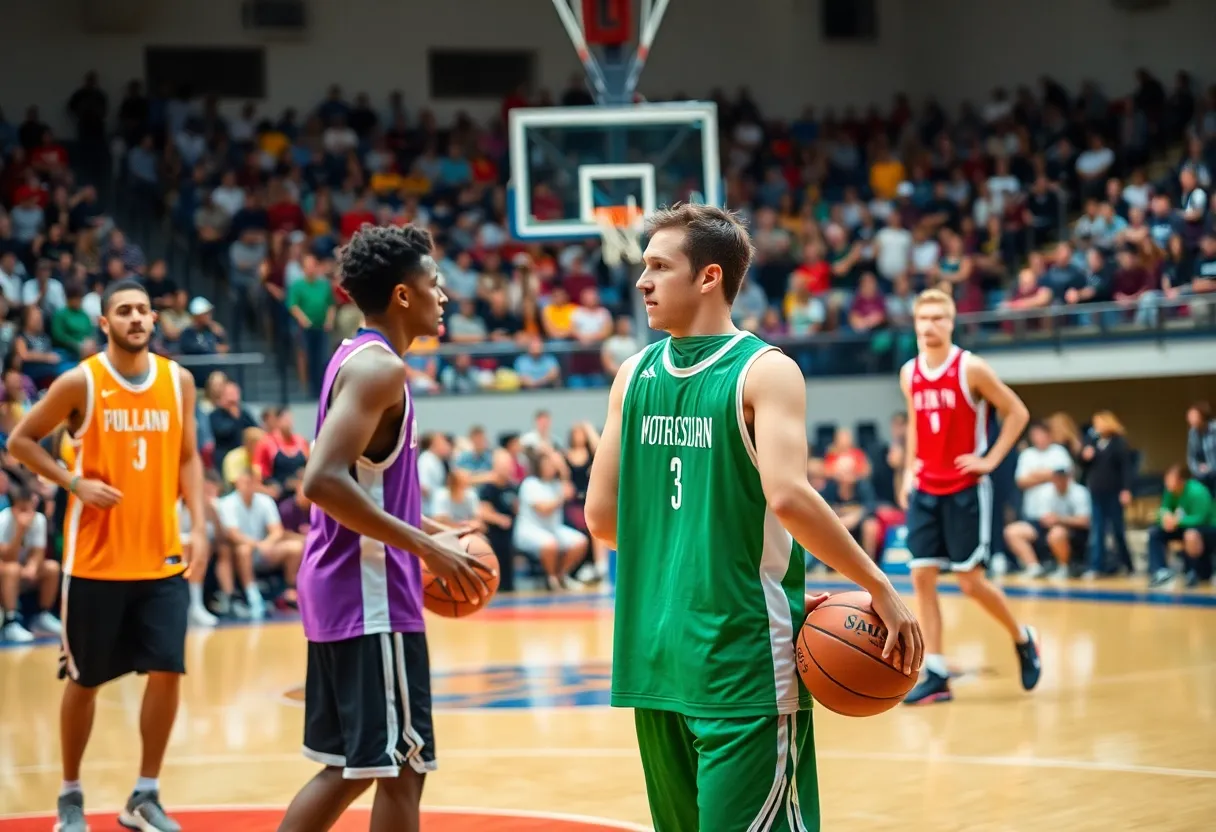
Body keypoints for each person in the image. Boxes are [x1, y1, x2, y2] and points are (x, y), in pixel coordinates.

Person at [584, 203, 922, 832]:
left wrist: (705, 567)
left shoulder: (631, 378)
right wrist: (880, 586)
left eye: (659, 266)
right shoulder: (767, 371)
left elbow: (602, 519)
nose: (642, 282)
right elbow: (789, 497)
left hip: (653, 657)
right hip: (740, 663)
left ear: (710, 277)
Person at [276, 224, 494, 832]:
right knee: (399, 767)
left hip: (348, 587)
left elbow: (358, 481)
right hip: (368, 594)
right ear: (403, 295)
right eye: (435, 284)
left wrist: (431, 525)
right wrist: (426, 547)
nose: (444, 295)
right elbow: (320, 482)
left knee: (358, 765)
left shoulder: (358, 360)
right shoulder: (381, 372)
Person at [8, 278, 207, 832]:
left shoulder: (179, 381)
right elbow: (21, 440)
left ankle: (144, 795)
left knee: (168, 670)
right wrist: (73, 481)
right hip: (94, 563)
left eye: (144, 309)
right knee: (85, 680)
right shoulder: (82, 382)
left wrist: (202, 526)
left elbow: (189, 457)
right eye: (124, 311)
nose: (137, 318)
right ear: (105, 323)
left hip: (162, 557)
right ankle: (70, 796)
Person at [898, 288, 1041, 706]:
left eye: (938, 318)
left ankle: (1022, 636)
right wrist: (909, 469)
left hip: (964, 488)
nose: (929, 325)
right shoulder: (909, 372)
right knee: (922, 578)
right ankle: (937, 672)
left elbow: (1017, 412)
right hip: (926, 486)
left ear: (952, 321)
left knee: (970, 582)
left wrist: (990, 459)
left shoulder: (970, 368)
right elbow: (915, 422)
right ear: (915, 323)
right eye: (923, 318)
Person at [0, 484, 62, 643]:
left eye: (30, 509)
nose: (27, 515)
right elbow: (6, 557)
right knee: (12, 569)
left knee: (52, 568)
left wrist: (33, 567)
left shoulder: (38, 519)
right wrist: (20, 531)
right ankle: (10, 623)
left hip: (21, 570)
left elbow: (38, 553)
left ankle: (41, 616)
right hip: (6, 570)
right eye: (22, 510)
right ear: (12, 508)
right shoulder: (3, 520)